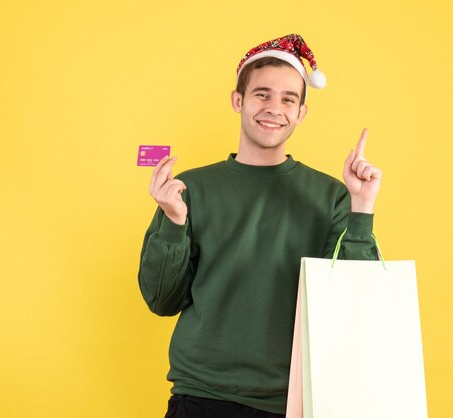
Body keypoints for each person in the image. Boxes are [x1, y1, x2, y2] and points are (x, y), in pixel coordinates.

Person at [138, 34, 382, 418]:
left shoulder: (332, 195)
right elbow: (161, 300)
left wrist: (362, 208)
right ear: (239, 100)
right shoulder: (189, 189)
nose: (274, 108)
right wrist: (173, 223)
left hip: (292, 400)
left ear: (301, 112)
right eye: (262, 94)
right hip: (200, 396)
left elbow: (353, 306)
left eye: (288, 99)